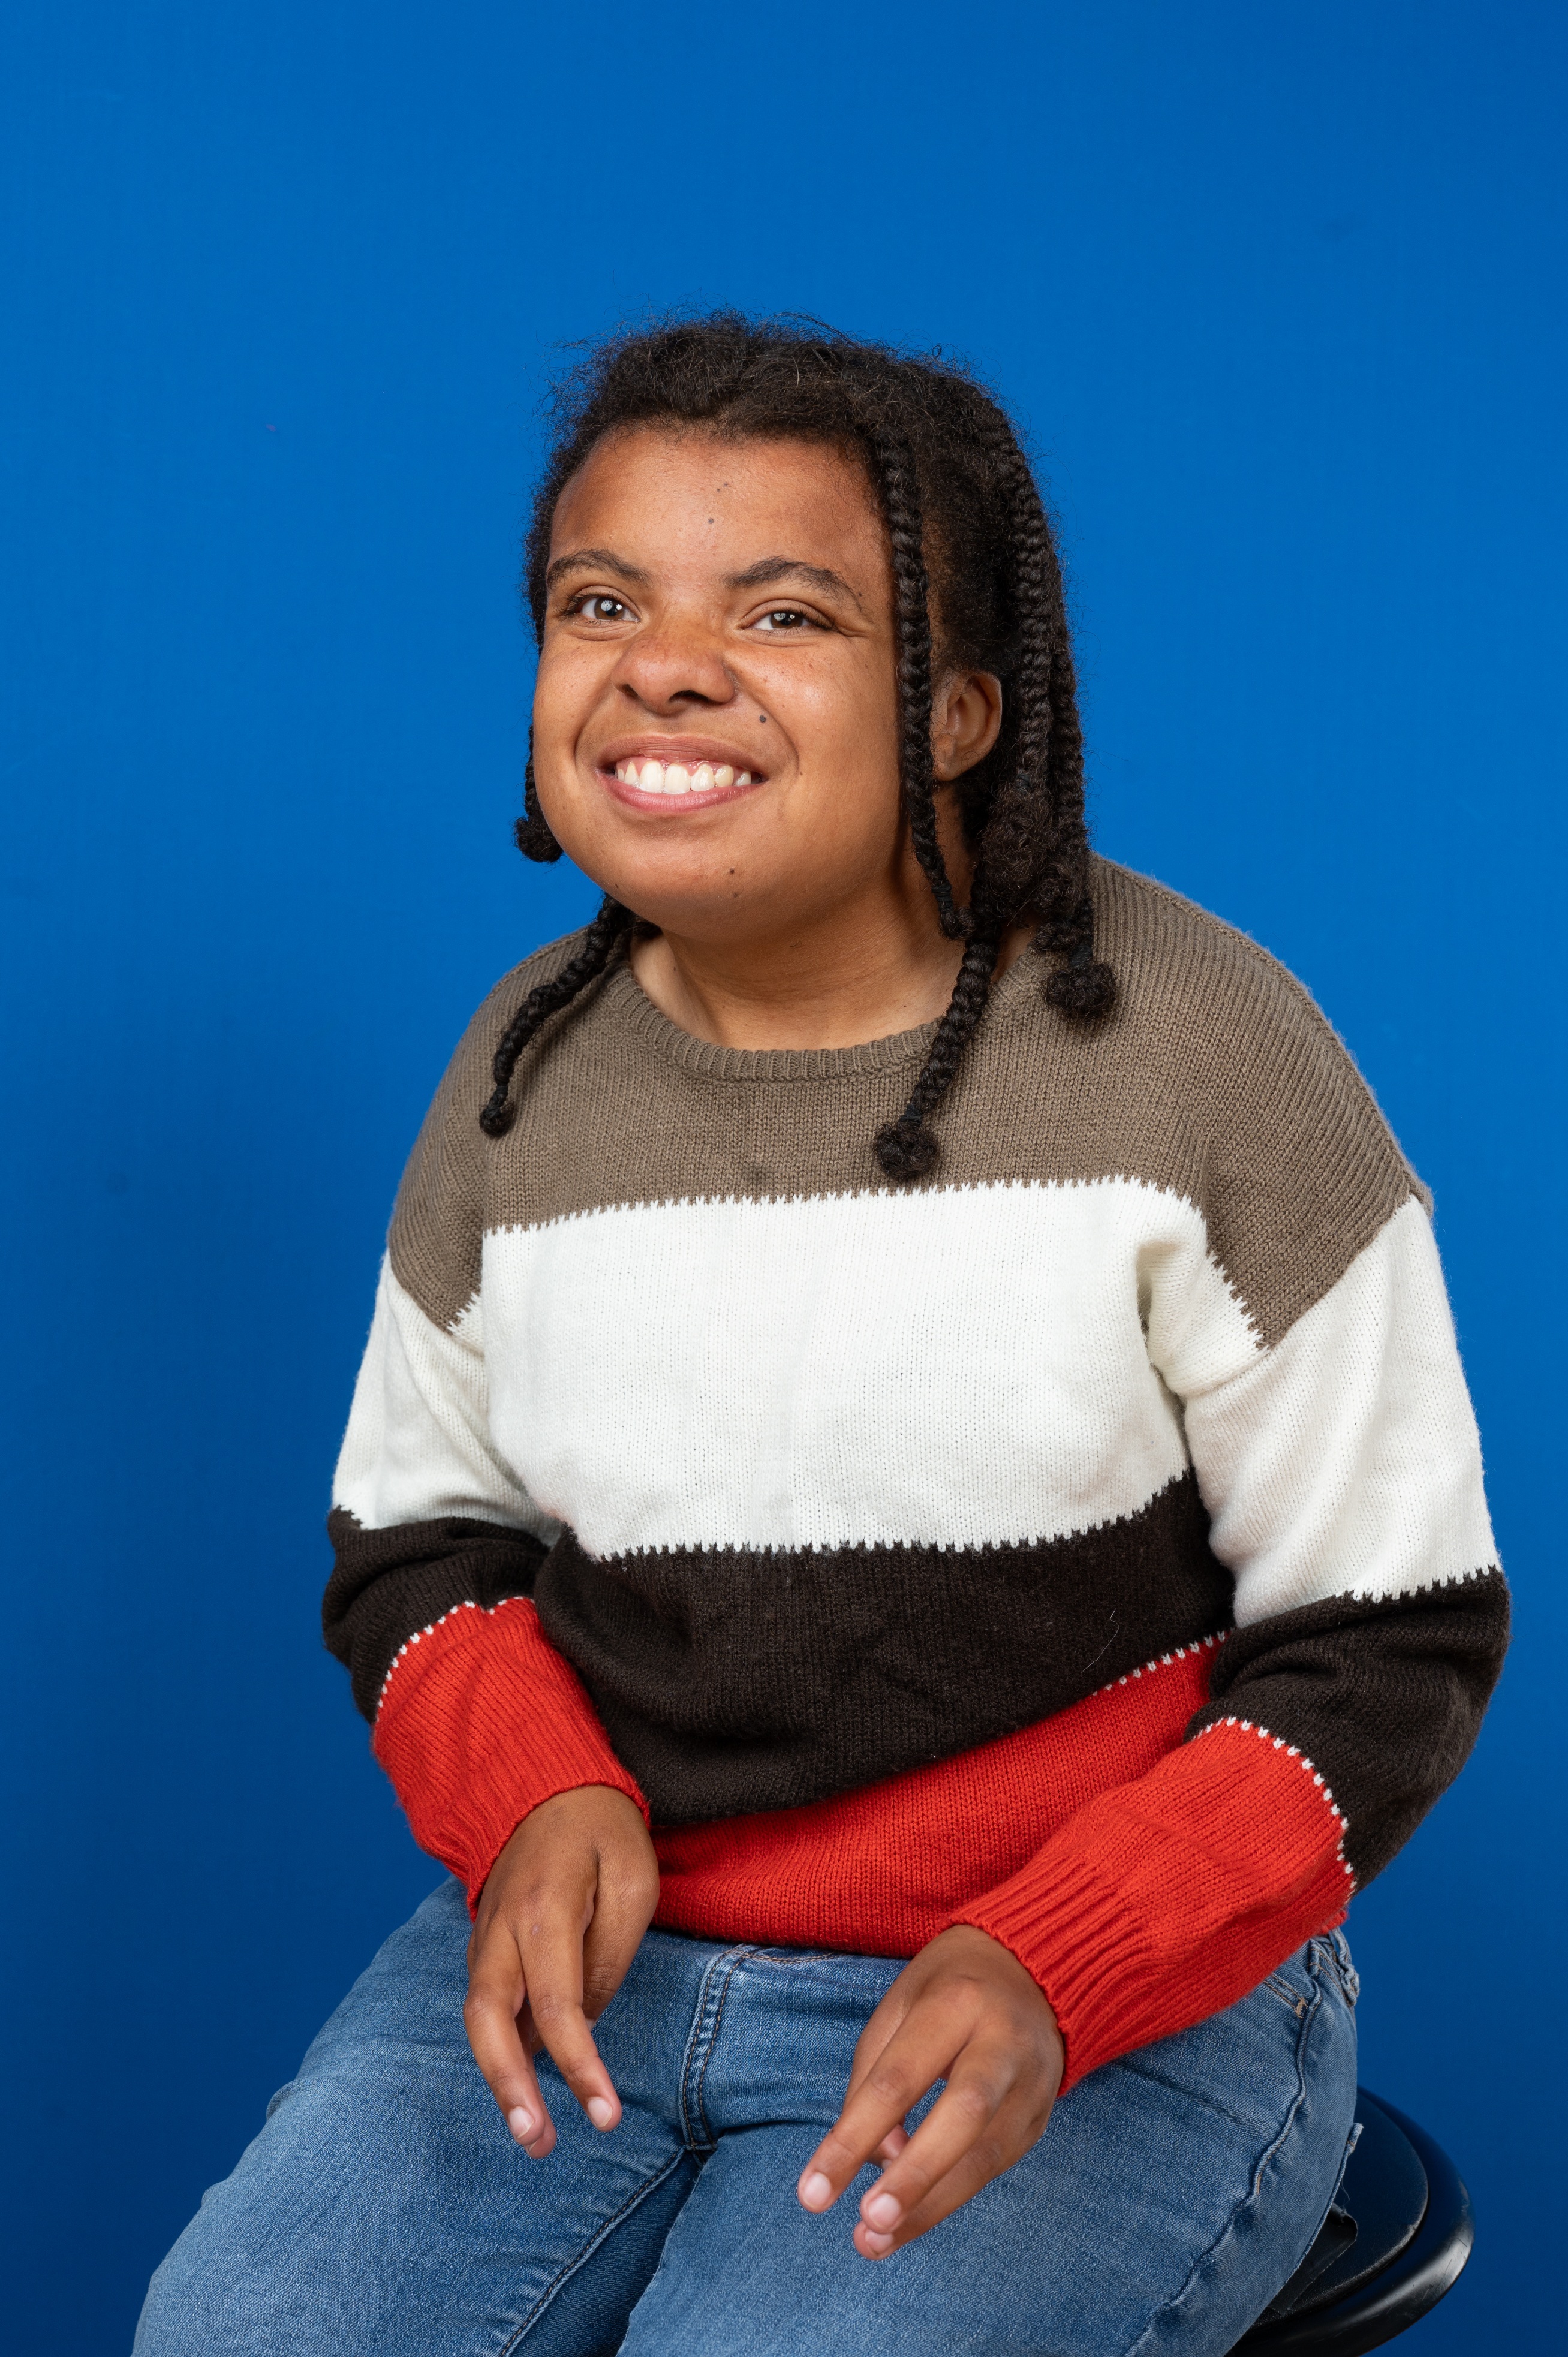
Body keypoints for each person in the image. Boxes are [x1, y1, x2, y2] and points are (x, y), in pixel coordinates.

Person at [136, 314, 1507, 2357]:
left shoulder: (1204, 1058)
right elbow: (419, 1540)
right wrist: (533, 1795)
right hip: (609, 1968)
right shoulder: (521, 1076)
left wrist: (1066, 1954)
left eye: (782, 613)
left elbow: (1392, 1634)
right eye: (602, 603)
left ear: (956, 710)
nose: (666, 666)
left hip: (1080, 1978)